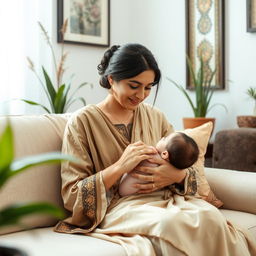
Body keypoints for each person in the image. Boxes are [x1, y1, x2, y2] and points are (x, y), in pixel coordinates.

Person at [54, 43, 256, 256]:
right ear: (112, 79)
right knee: (170, 224)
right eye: (134, 85)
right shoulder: (81, 123)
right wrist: (120, 167)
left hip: (166, 200)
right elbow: (72, 195)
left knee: (210, 217)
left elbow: (188, 167)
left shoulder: (155, 116)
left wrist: (177, 175)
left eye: (148, 87)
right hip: (118, 208)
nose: (141, 95)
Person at [119, 132, 199, 196]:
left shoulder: (151, 154)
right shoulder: (176, 165)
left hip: (125, 191)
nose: (162, 137)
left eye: (165, 139)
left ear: (165, 154)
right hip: (146, 195)